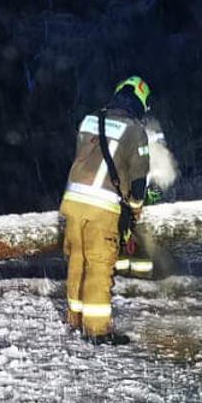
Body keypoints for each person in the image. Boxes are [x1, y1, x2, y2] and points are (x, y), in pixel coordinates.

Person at [59, 76, 152, 345]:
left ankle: (75, 319)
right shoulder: (135, 130)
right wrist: (134, 210)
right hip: (102, 207)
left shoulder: (90, 120)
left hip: (72, 201)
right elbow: (138, 180)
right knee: (99, 266)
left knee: (77, 261)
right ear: (139, 104)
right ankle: (97, 329)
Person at [116, 115, 178, 279]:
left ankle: (142, 271)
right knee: (132, 234)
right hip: (132, 194)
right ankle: (131, 271)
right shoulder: (133, 134)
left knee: (140, 234)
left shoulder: (146, 133)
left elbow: (162, 165)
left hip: (140, 194)